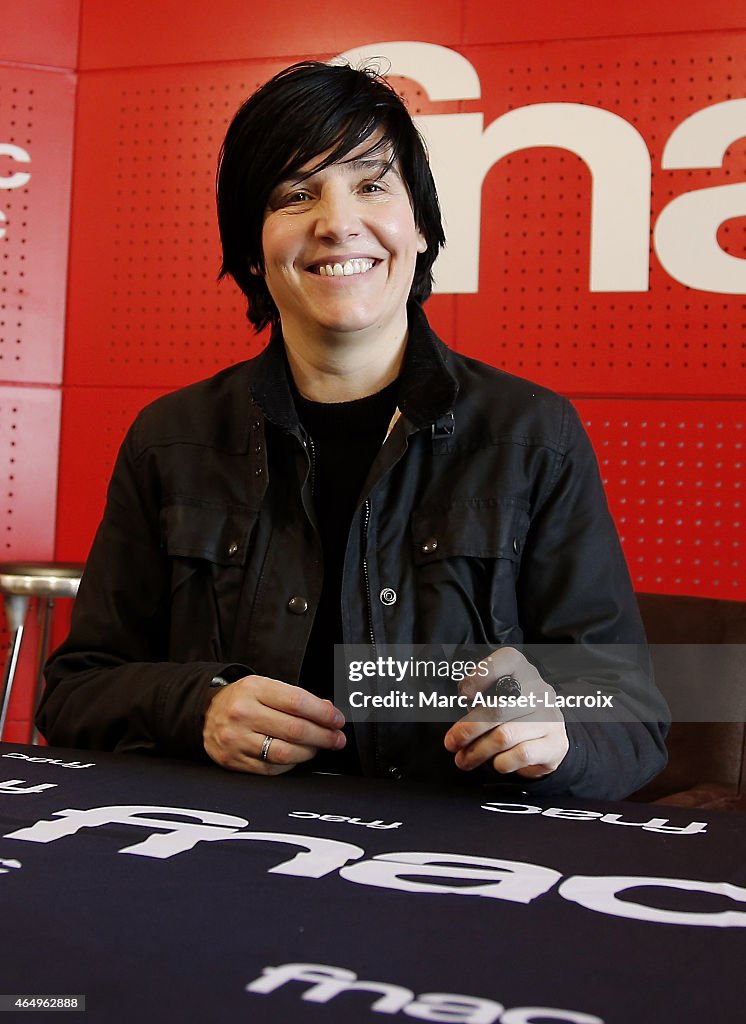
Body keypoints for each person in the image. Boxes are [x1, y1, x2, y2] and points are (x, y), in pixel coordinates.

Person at [38, 60, 668, 798]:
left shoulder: (532, 435)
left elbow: (634, 722)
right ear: (252, 250)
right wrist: (197, 706)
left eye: (371, 185)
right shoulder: (170, 440)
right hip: (221, 859)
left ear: (423, 228)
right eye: (295, 194)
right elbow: (74, 693)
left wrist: (555, 733)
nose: (337, 223)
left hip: (454, 874)